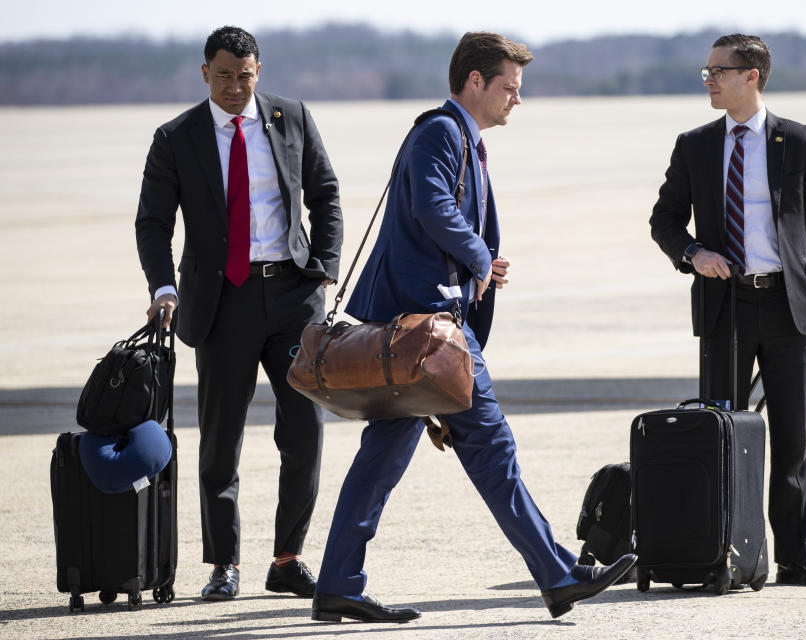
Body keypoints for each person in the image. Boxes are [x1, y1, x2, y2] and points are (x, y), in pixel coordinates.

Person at [310, 32, 636, 624]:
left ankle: (337, 584)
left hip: (417, 328)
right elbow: (432, 207)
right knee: (492, 450)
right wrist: (480, 259)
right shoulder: (441, 131)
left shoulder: (460, 137)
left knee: (381, 460)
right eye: (509, 87)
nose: (517, 99)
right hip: (428, 334)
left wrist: (478, 259)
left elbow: (435, 217)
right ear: (475, 81)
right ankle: (558, 574)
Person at [135, 25, 343, 600]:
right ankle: (223, 563)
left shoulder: (291, 117)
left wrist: (325, 263)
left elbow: (325, 192)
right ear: (205, 72)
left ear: (259, 71)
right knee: (221, 440)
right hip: (221, 300)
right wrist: (162, 288)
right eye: (223, 76)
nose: (234, 87)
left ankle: (287, 558)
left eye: (244, 76)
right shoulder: (176, 137)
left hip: (294, 296)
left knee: (304, 432)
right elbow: (153, 222)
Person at [649, 34, 806, 587]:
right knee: (721, 434)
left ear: (751, 75)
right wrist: (694, 253)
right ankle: (720, 553)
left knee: (791, 439)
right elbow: (663, 221)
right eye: (706, 70)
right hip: (725, 305)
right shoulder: (694, 144)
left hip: (787, 307)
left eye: (718, 70)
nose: (708, 78)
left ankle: (795, 558)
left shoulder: (802, 142)